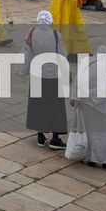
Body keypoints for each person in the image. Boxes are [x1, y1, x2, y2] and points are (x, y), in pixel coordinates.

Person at [70, 45, 106, 168]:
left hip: (84, 103)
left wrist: (76, 98)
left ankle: (91, 157)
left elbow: (77, 82)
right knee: (105, 133)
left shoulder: (86, 63)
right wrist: (94, 95)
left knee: (89, 131)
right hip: (100, 105)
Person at [24, 11, 68, 150]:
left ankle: (40, 136)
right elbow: (62, 56)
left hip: (36, 74)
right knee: (55, 106)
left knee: (38, 104)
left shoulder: (31, 33)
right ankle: (55, 138)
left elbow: (27, 52)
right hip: (53, 75)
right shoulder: (56, 35)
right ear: (50, 21)